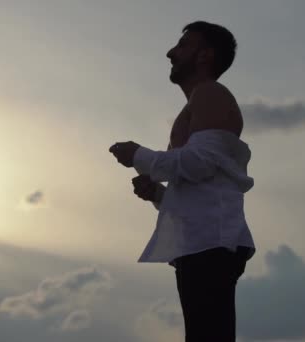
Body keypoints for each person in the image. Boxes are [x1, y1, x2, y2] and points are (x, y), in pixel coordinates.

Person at [109, 21, 256, 341]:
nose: (171, 53)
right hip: (202, 243)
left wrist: (139, 155)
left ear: (204, 56)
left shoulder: (210, 94)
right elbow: (197, 183)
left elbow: (200, 162)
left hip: (211, 243)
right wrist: (157, 194)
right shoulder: (196, 104)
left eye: (183, 45)